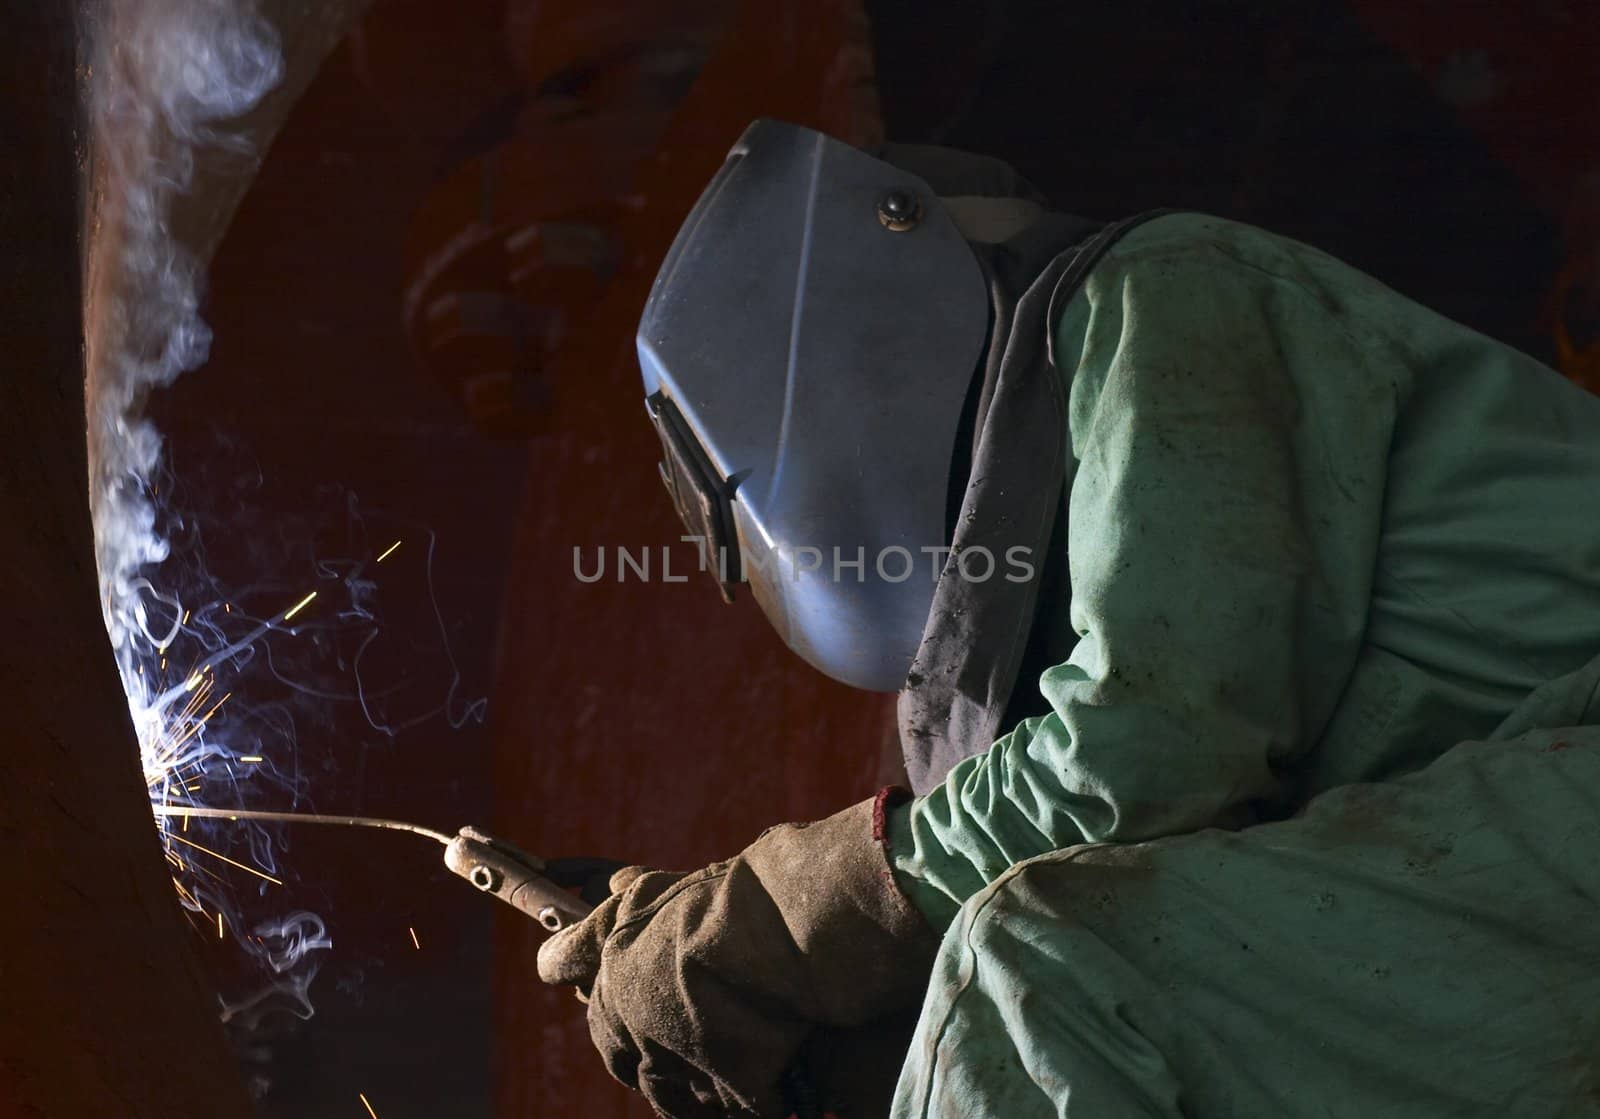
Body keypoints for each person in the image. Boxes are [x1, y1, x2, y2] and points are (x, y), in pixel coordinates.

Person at [537, 119, 1600, 1118]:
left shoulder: (1163, 295)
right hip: (1494, 891)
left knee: (1030, 964)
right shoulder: (1021, 632)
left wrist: (781, 923)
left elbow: (1153, 736)